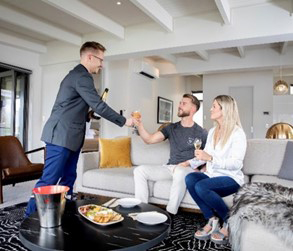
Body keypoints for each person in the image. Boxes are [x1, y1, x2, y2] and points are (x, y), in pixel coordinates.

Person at [25, 41, 133, 217]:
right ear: (90, 57)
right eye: (100, 60)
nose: (102, 64)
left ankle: (63, 212)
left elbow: (73, 106)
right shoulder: (82, 76)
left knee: (69, 178)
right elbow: (98, 105)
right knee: (50, 179)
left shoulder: (78, 76)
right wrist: (124, 121)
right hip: (61, 135)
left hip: (71, 136)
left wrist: (87, 115)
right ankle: (29, 219)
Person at [184, 95, 247, 245]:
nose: (210, 109)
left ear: (224, 110)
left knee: (201, 186)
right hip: (212, 175)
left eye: (214, 106)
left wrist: (210, 158)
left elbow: (236, 164)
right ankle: (212, 219)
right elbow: (205, 155)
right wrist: (189, 162)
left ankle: (228, 220)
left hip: (230, 178)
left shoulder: (237, 133)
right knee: (190, 178)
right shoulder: (212, 131)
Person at [133, 94, 208, 215]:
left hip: (186, 168)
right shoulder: (171, 128)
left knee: (180, 171)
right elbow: (149, 140)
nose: (180, 106)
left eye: (184, 103)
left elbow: (207, 156)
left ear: (193, 108)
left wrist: (202, 171)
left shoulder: (202, 132)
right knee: (139, 170)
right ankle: (141, 209)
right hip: (169, 168)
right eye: (180, 103)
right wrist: (139, 125)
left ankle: (170, 213)